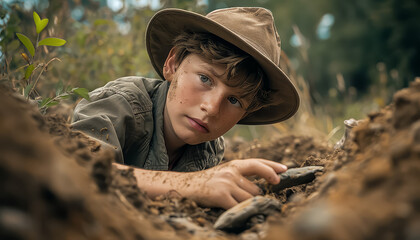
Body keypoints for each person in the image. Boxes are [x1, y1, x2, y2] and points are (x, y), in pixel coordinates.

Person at [71, 7, 300, 209]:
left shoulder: (209, 149)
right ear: (172, 64)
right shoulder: (120, 104)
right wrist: (194, 184)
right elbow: (74, 168)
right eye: (205, 79)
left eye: (234, 101)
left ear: (246, 112)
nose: (211, 109)